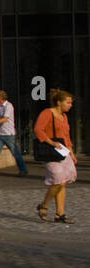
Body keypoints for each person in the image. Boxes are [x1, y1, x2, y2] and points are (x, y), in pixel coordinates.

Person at [35, 89, 76, 223]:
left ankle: (60, 213)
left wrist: (72, 152)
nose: (70, 105)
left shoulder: (64, 117)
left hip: (63, 152)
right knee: (58, 180)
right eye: (68, 102)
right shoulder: (47, 113)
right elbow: (38, 130)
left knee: (62, 182)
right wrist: (51, 142)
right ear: (59, 102)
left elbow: (66, 136)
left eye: (71, 103)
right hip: (50, 152)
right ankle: (44, 205)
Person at [0, 89, 28, 177]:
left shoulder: (9, 106)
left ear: (1, 97)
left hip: (9, 134)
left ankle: (23, 170)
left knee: (15, 153)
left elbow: (5, 119)